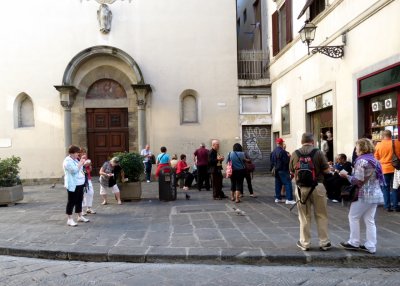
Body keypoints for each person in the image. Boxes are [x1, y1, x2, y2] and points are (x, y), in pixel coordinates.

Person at [339, 138, 385, 254]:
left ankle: (354, 242)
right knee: (369, 220)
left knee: (353, 217)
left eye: (357, 148)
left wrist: (346, 176)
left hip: (364, 194)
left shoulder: (361, 161)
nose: (356, 150)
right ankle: (371, 245)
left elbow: (357, 180)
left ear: (362, 148)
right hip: (376, 194)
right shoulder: (375, 160)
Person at [289, 133, 331, 251]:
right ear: (312, 141)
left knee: (304, 216)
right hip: (318, 187)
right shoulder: (318, 152)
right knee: (321, 215)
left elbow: (291, 170)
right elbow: (326, 170)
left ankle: (305, 243)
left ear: (302, 141)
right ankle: (324, 242)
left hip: (301, 188)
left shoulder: (295, 153)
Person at [63, 145, 90, 226]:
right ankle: (69, 219)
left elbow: (80, 168)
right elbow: (74, 170)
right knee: (71, 201)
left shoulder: (75, 160)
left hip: (80, 183)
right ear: (72, 153)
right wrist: (81, 163)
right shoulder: (67, 161)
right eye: (77, 153)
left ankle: (80, 216)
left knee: (79, 200)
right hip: (73, 184)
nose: (78, 154)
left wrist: (83, 162)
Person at [374, 130, 400, 212]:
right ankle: (396, 206)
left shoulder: (379, 145)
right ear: (391, 135)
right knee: (395, 187)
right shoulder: (397, 143)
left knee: (385, 188)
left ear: (382, 136)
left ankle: (387, 206)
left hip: (384, 169)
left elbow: (376, 158)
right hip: (395, 168)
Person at [270, 138, 295, 204]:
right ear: (281, 143)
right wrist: (289, 156)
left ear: (277, 143)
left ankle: (278, 198)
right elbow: (286, 161)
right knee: (287, 183)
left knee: (278, 184)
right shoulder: (283, 152)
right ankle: (289, 199)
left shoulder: (273, 151)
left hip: (276, 170)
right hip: (283, 170)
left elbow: (271, 161)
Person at [80, 148, 96, 214]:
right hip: (80, 179)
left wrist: (89, 164)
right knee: (82, 194)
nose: (84, 154)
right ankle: (81, 210)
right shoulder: (77, 160)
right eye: (82, 153)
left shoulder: (87, 159)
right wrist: (83, 163)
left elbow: (90, 169)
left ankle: (89, 208)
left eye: (85, 152)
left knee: (90, 192)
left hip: (88, 178)